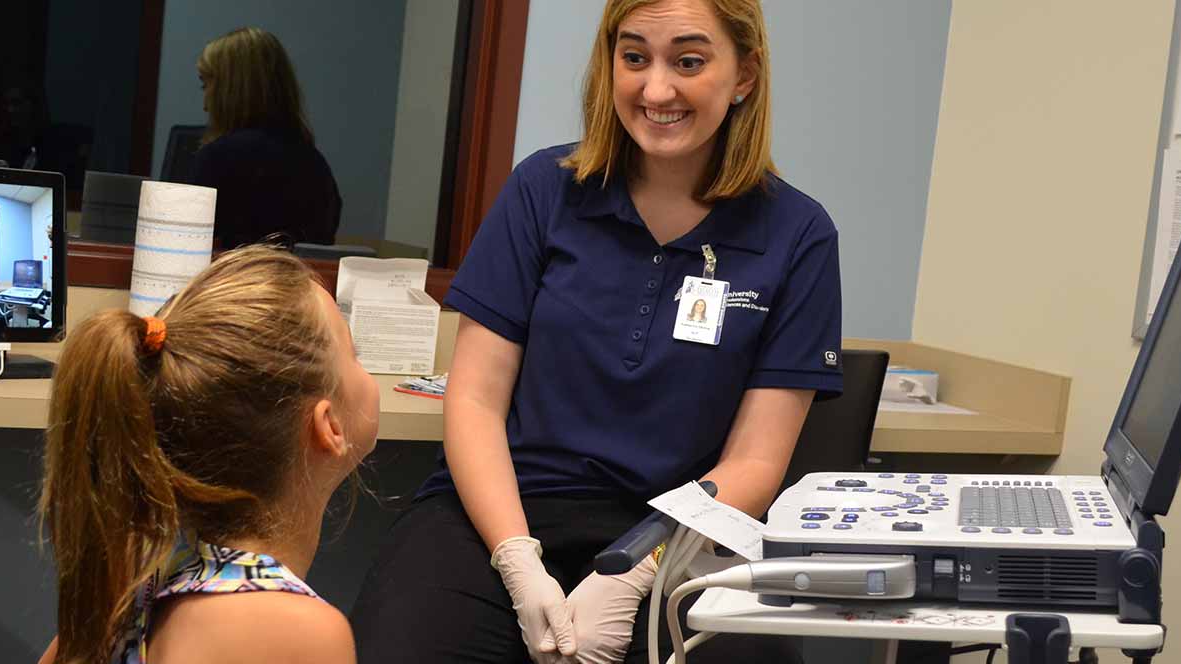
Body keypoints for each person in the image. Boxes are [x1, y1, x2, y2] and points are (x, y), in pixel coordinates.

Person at [349, 1, 843, 663]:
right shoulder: (543, 193)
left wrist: (641, 568)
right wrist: (517, 560)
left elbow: (754, 462)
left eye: (688, 61)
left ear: (745, 74)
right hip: (501, 515)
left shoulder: (798, 235)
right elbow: (473, 401)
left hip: (678, 536)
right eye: (634, 57)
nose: (655, 89)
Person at [34, 246, 379, 664]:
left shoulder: (140, 593)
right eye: (354, 353)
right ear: (330, 427)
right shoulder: (298, 631)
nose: (365, 368)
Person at [191, 27, 342, 251]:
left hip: (232, 283)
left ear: (229, 89)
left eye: (206, 85)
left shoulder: (217, 159)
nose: (205, 104)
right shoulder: (316, 164)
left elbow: (189, 251)